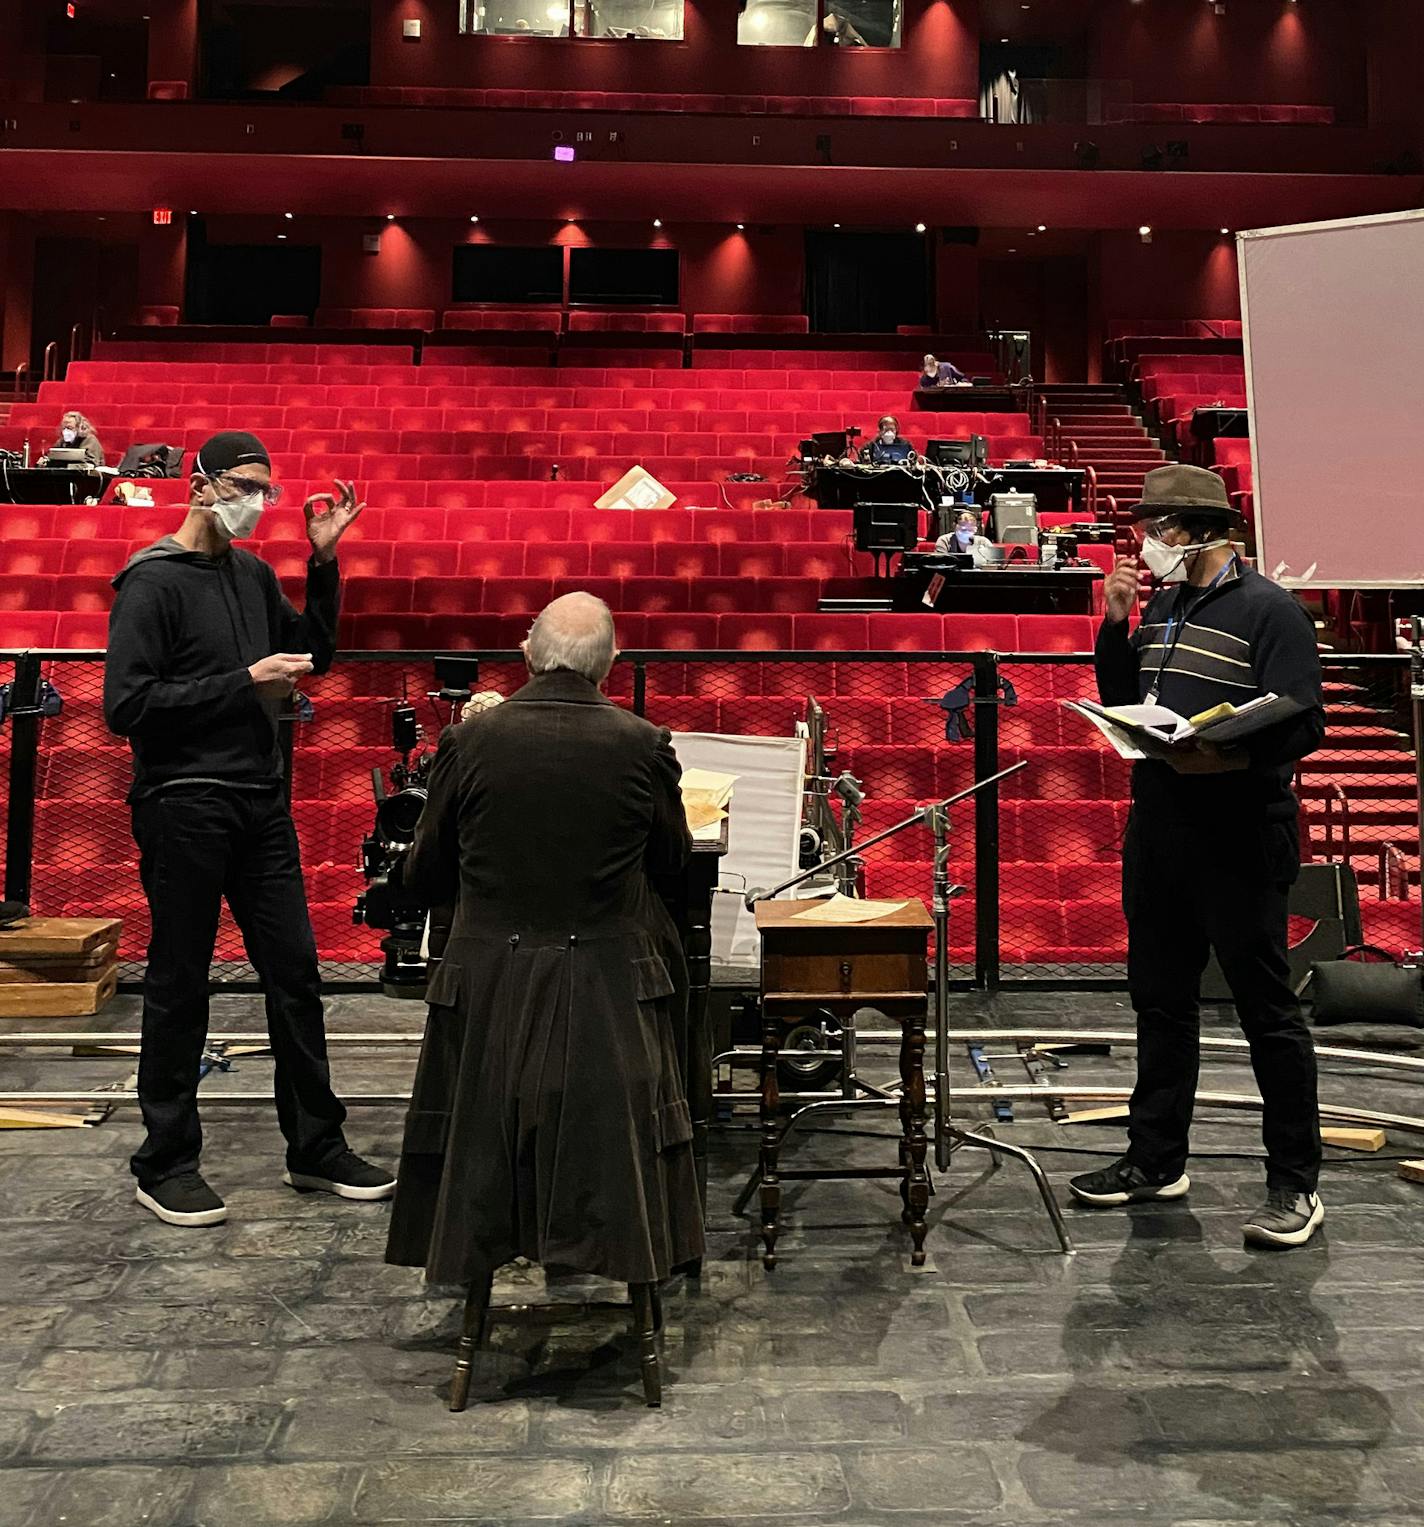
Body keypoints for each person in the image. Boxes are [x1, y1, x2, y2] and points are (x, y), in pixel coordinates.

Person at [104, 430, 394, 1227]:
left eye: (266, 489)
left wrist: (325, 561)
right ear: (200, 486)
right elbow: (124, 706)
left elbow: (317, 655)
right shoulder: (151, 583)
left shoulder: (254, 574)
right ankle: (164, 1160)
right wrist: (243, 681)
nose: (258, 502)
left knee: (296, 972)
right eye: (245, 486)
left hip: (258, 801)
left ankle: (315, 1146)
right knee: (178, 981)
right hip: (182, 801)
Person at [385, 592, 704, 1292]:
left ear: (527, 654)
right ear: (612, 664)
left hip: (487, 993)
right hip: (607, 990)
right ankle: (621, 1247)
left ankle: (482, 1244)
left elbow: (426, 869)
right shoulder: (642, 743)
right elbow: (674, 861)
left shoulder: (468, 741)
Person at [1067, 465, 1327, 1249]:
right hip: (1163, 828)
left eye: (1154, 529)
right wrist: (1116, 626)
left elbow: (1303, 721)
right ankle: (1156, 1159)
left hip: (1241, 831)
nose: (1144, 544)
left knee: (1266, 1013)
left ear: (1188, 531)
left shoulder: (1271, 611)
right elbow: (1128, 699)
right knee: (1161, 1000)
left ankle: (1295, 1185)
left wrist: (1235, 762)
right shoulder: (1165, 605)